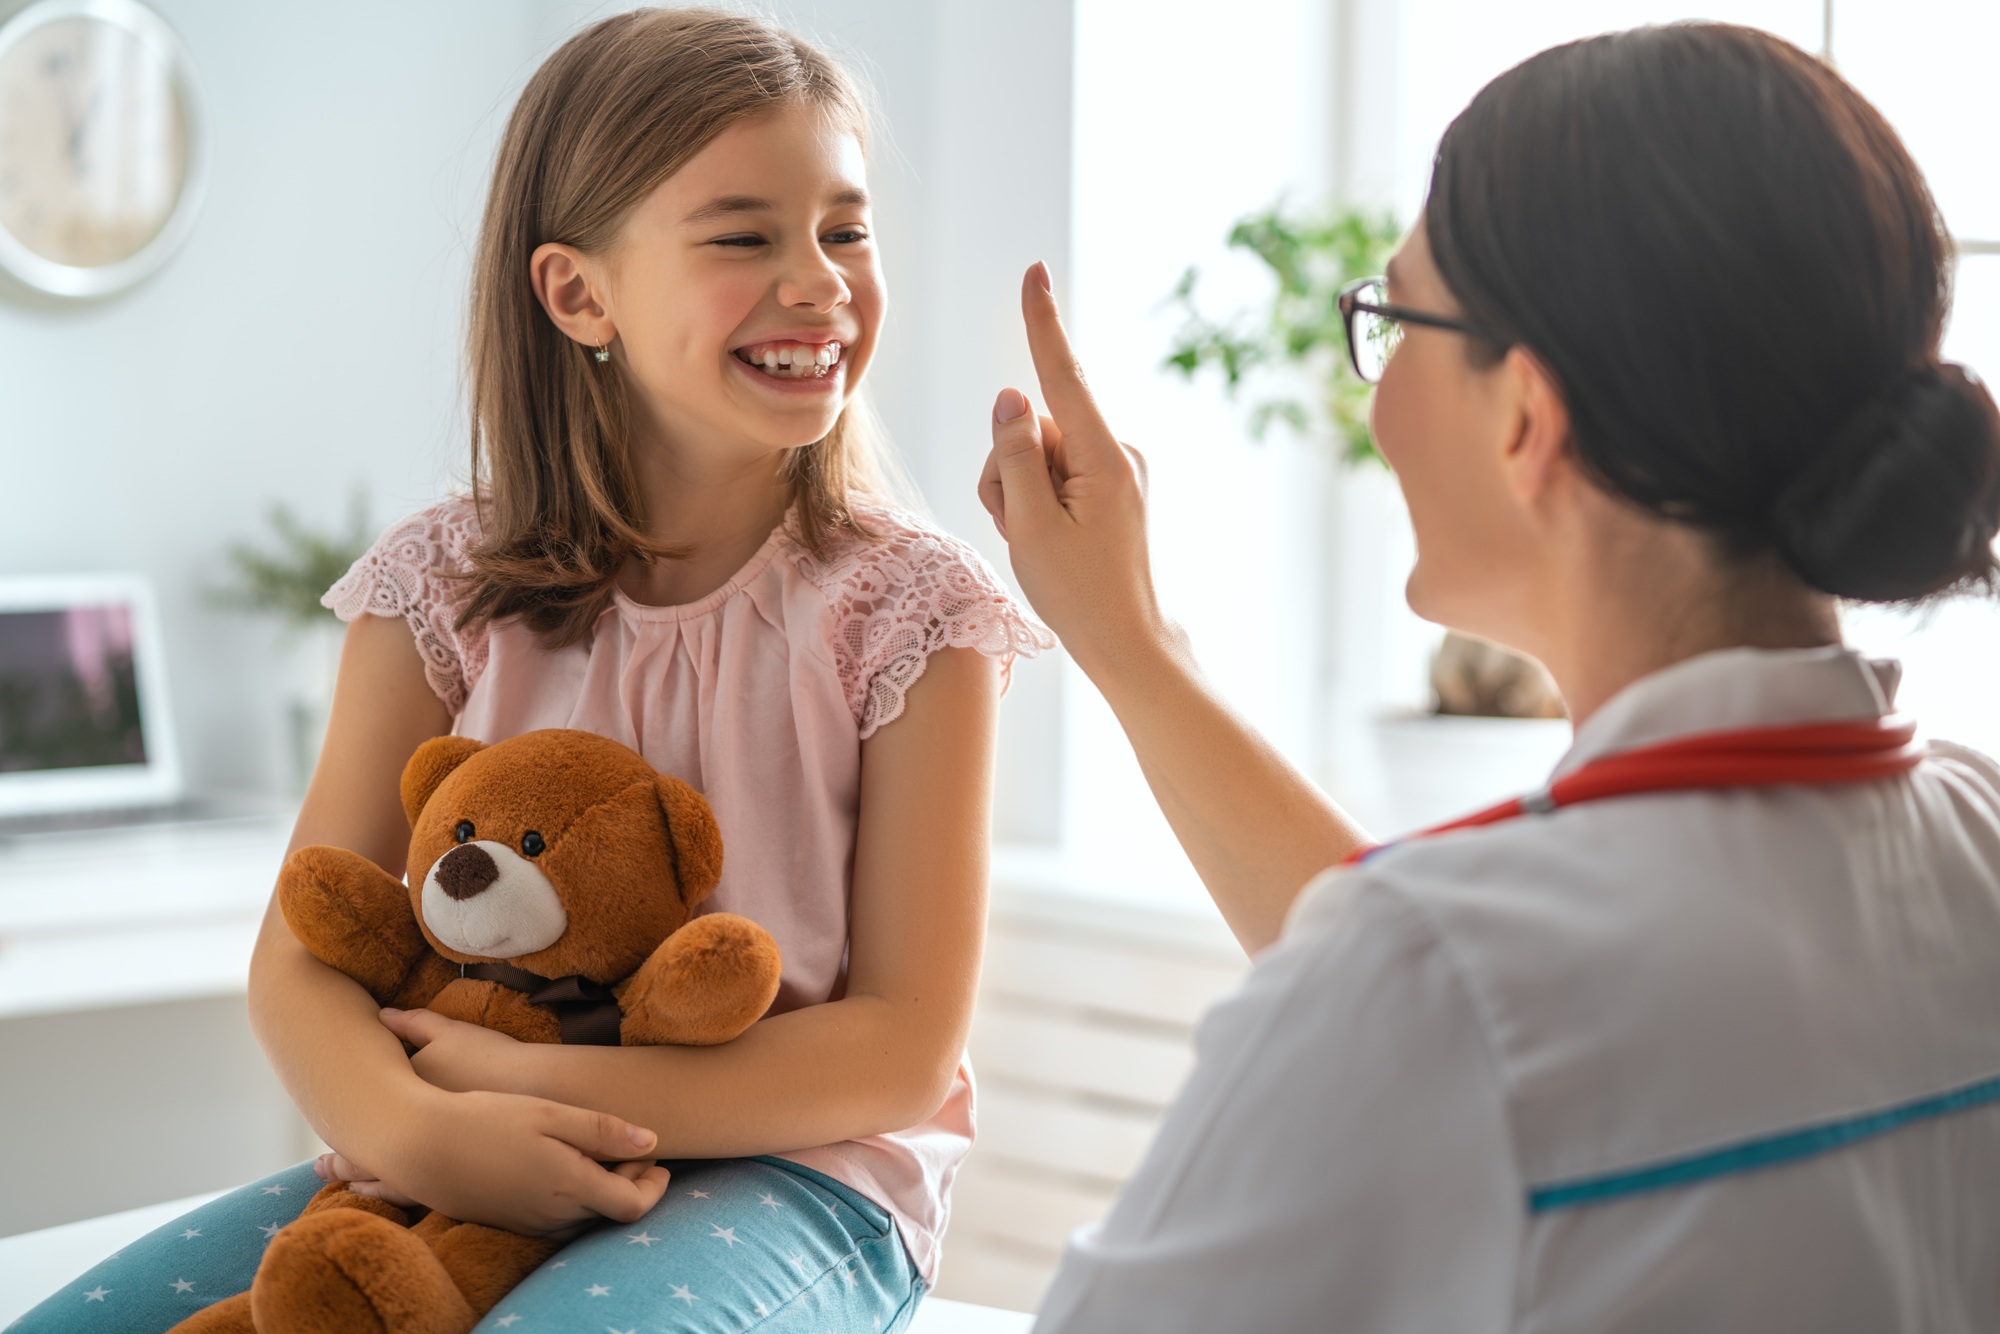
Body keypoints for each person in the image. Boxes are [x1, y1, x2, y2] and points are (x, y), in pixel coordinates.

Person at [16, 10, 1046, 1333]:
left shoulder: (915, 611)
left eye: (845, 228)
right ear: (577, 292)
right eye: (745, 235)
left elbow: (901, 1041)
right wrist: (415, 1126)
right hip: (447, 1155)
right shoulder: (437, 588)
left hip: (800, 1178)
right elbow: (300, 957)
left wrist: (518, 1088)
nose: (821, 282)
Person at [980, 22, 2000, 1331]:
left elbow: (1451, 1003)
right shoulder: (1970, 841)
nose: (1377, 398)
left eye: (1396, 321)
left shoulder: (1440, 975)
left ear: (1524, 414)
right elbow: (1491, 1008)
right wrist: (1131, 646)